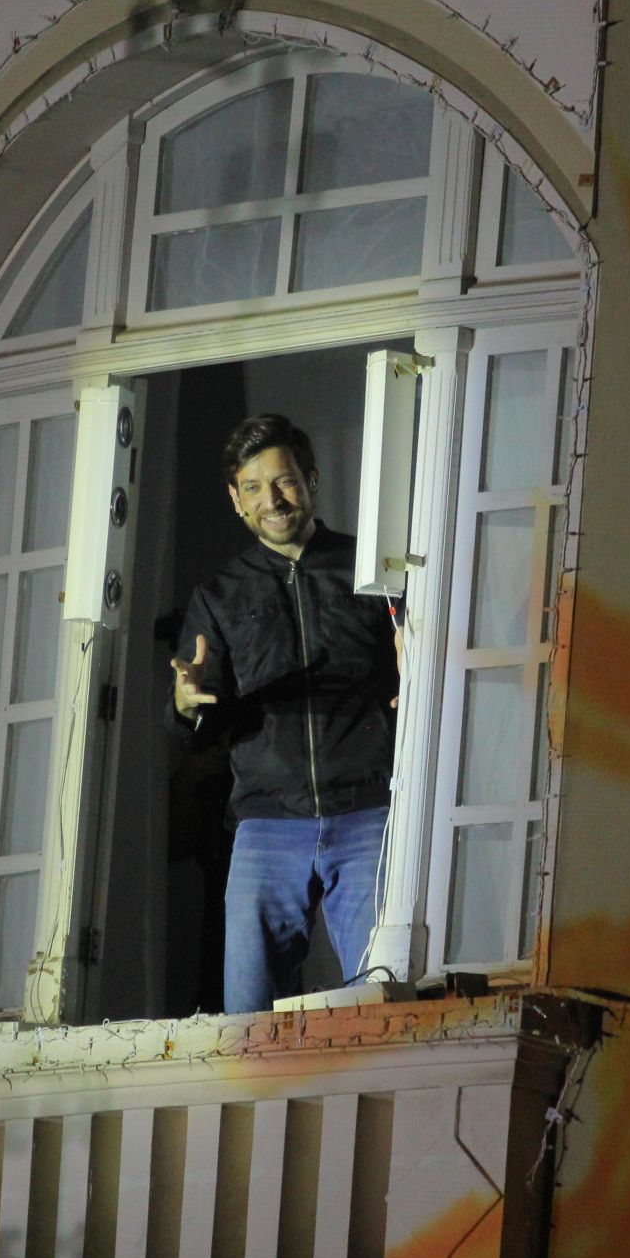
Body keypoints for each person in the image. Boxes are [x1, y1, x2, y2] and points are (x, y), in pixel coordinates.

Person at [165, 414, 400, 1014]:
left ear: (311, 480)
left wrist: (415, 684)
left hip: (368, 815)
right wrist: (186, 705)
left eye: (284, 481)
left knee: (381, 1002)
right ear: (236, 500)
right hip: (267, 826)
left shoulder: (372, 570)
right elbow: (197, 723)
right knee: (248, 1017)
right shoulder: (218, 595)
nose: (271, 500)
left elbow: (414, 668)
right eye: (253, 487)